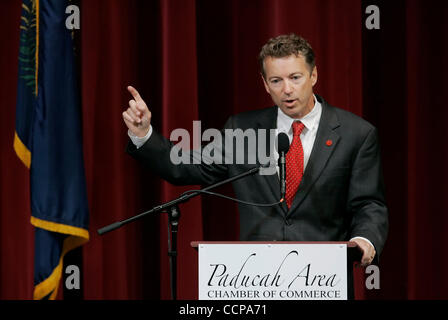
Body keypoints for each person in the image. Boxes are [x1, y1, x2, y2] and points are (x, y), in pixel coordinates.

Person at [122, 33, 388, 269]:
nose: (287, 89)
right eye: (276, 80)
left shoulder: (356, 133)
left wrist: (364, 239)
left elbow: (368, 204)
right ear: (265, 84)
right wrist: (143, 134)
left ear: (313, 75)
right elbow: (183, 167)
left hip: (324, 275)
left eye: (295, 77)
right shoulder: (244, 129)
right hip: (257, 275)